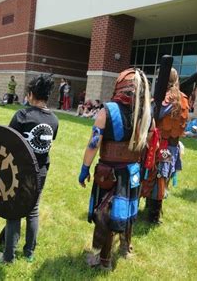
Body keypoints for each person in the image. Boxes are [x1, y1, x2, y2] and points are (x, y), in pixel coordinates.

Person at [78, 68, 151, 270]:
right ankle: (126, 248)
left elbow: (93, 145)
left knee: (106, 214)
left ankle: (103, 260)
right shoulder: (145, 113)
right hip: (133, 173)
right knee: (125, 210)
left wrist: (85, 168)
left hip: (109, 174)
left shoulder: (106, 111)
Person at [0, 75, 59, 263]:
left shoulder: (22, 116)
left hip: (18, 172)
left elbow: (7, 140)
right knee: (33, 210)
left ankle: (8, 256)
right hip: (40, 172)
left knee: (14, 210)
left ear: (31, 94)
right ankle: (29, 252)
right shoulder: (54, 120)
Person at [140, 68, 189, 224]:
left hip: (163, 146)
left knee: (159, 177)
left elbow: (156, 116)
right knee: (159, 177)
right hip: (166, 146)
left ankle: (153, 214)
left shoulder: (167, 99)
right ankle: (152, 211)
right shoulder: (181, 98)